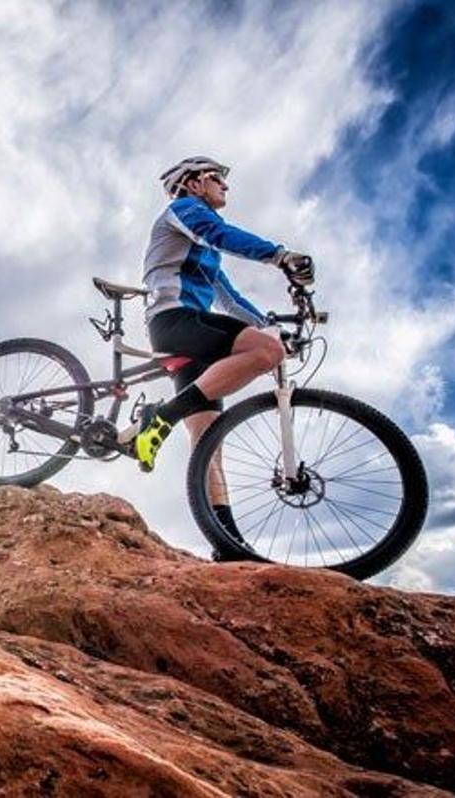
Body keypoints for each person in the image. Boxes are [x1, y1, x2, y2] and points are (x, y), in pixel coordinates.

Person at [133, 156, 313, 552]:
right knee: (267, 352)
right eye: (217, 179)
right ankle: (160, 418)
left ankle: (227, 543)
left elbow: (230, 300)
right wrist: (279, 255)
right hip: (176, 319)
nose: (225, 187)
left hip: (186, 329)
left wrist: (271, 325)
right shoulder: (184, 210)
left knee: (208, 443)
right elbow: (219, 234)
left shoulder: (202, 250)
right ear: (194, 184)